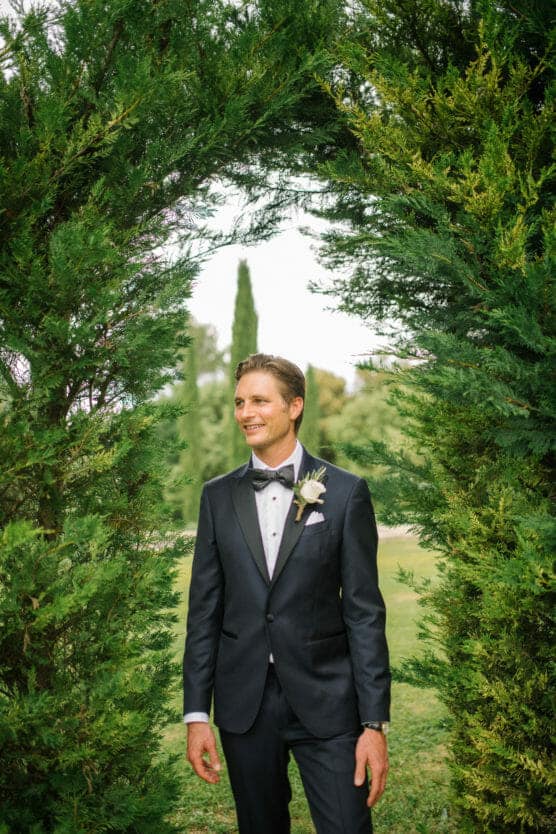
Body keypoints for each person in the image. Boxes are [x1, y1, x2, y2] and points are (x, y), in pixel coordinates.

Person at [183, 353, 390, 834]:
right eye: (239, 402)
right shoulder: (217, 497)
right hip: (245, 705)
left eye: (259, 401)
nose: (246, 413)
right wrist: (196, 714)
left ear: (294, 406)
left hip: (329, 699)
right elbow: (204, 612)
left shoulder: (346, 493)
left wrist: (373, 723)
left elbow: (364, 613)